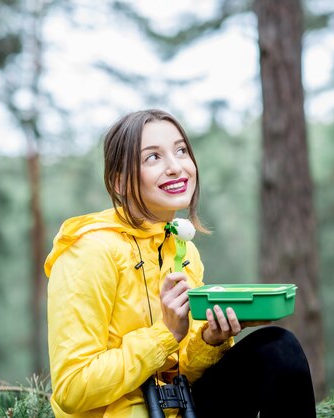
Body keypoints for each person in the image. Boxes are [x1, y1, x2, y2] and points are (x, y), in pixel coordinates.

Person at [44, 109, 316, 418]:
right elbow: (71, 390)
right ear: (119, 182)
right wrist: (165, 334)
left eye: (181, 150)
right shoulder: (89, 251)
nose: (176, 167)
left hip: (182, 410)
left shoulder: (183, 250)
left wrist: (210, 339)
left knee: (278, 348)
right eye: (153, 158)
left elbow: (184, 371)